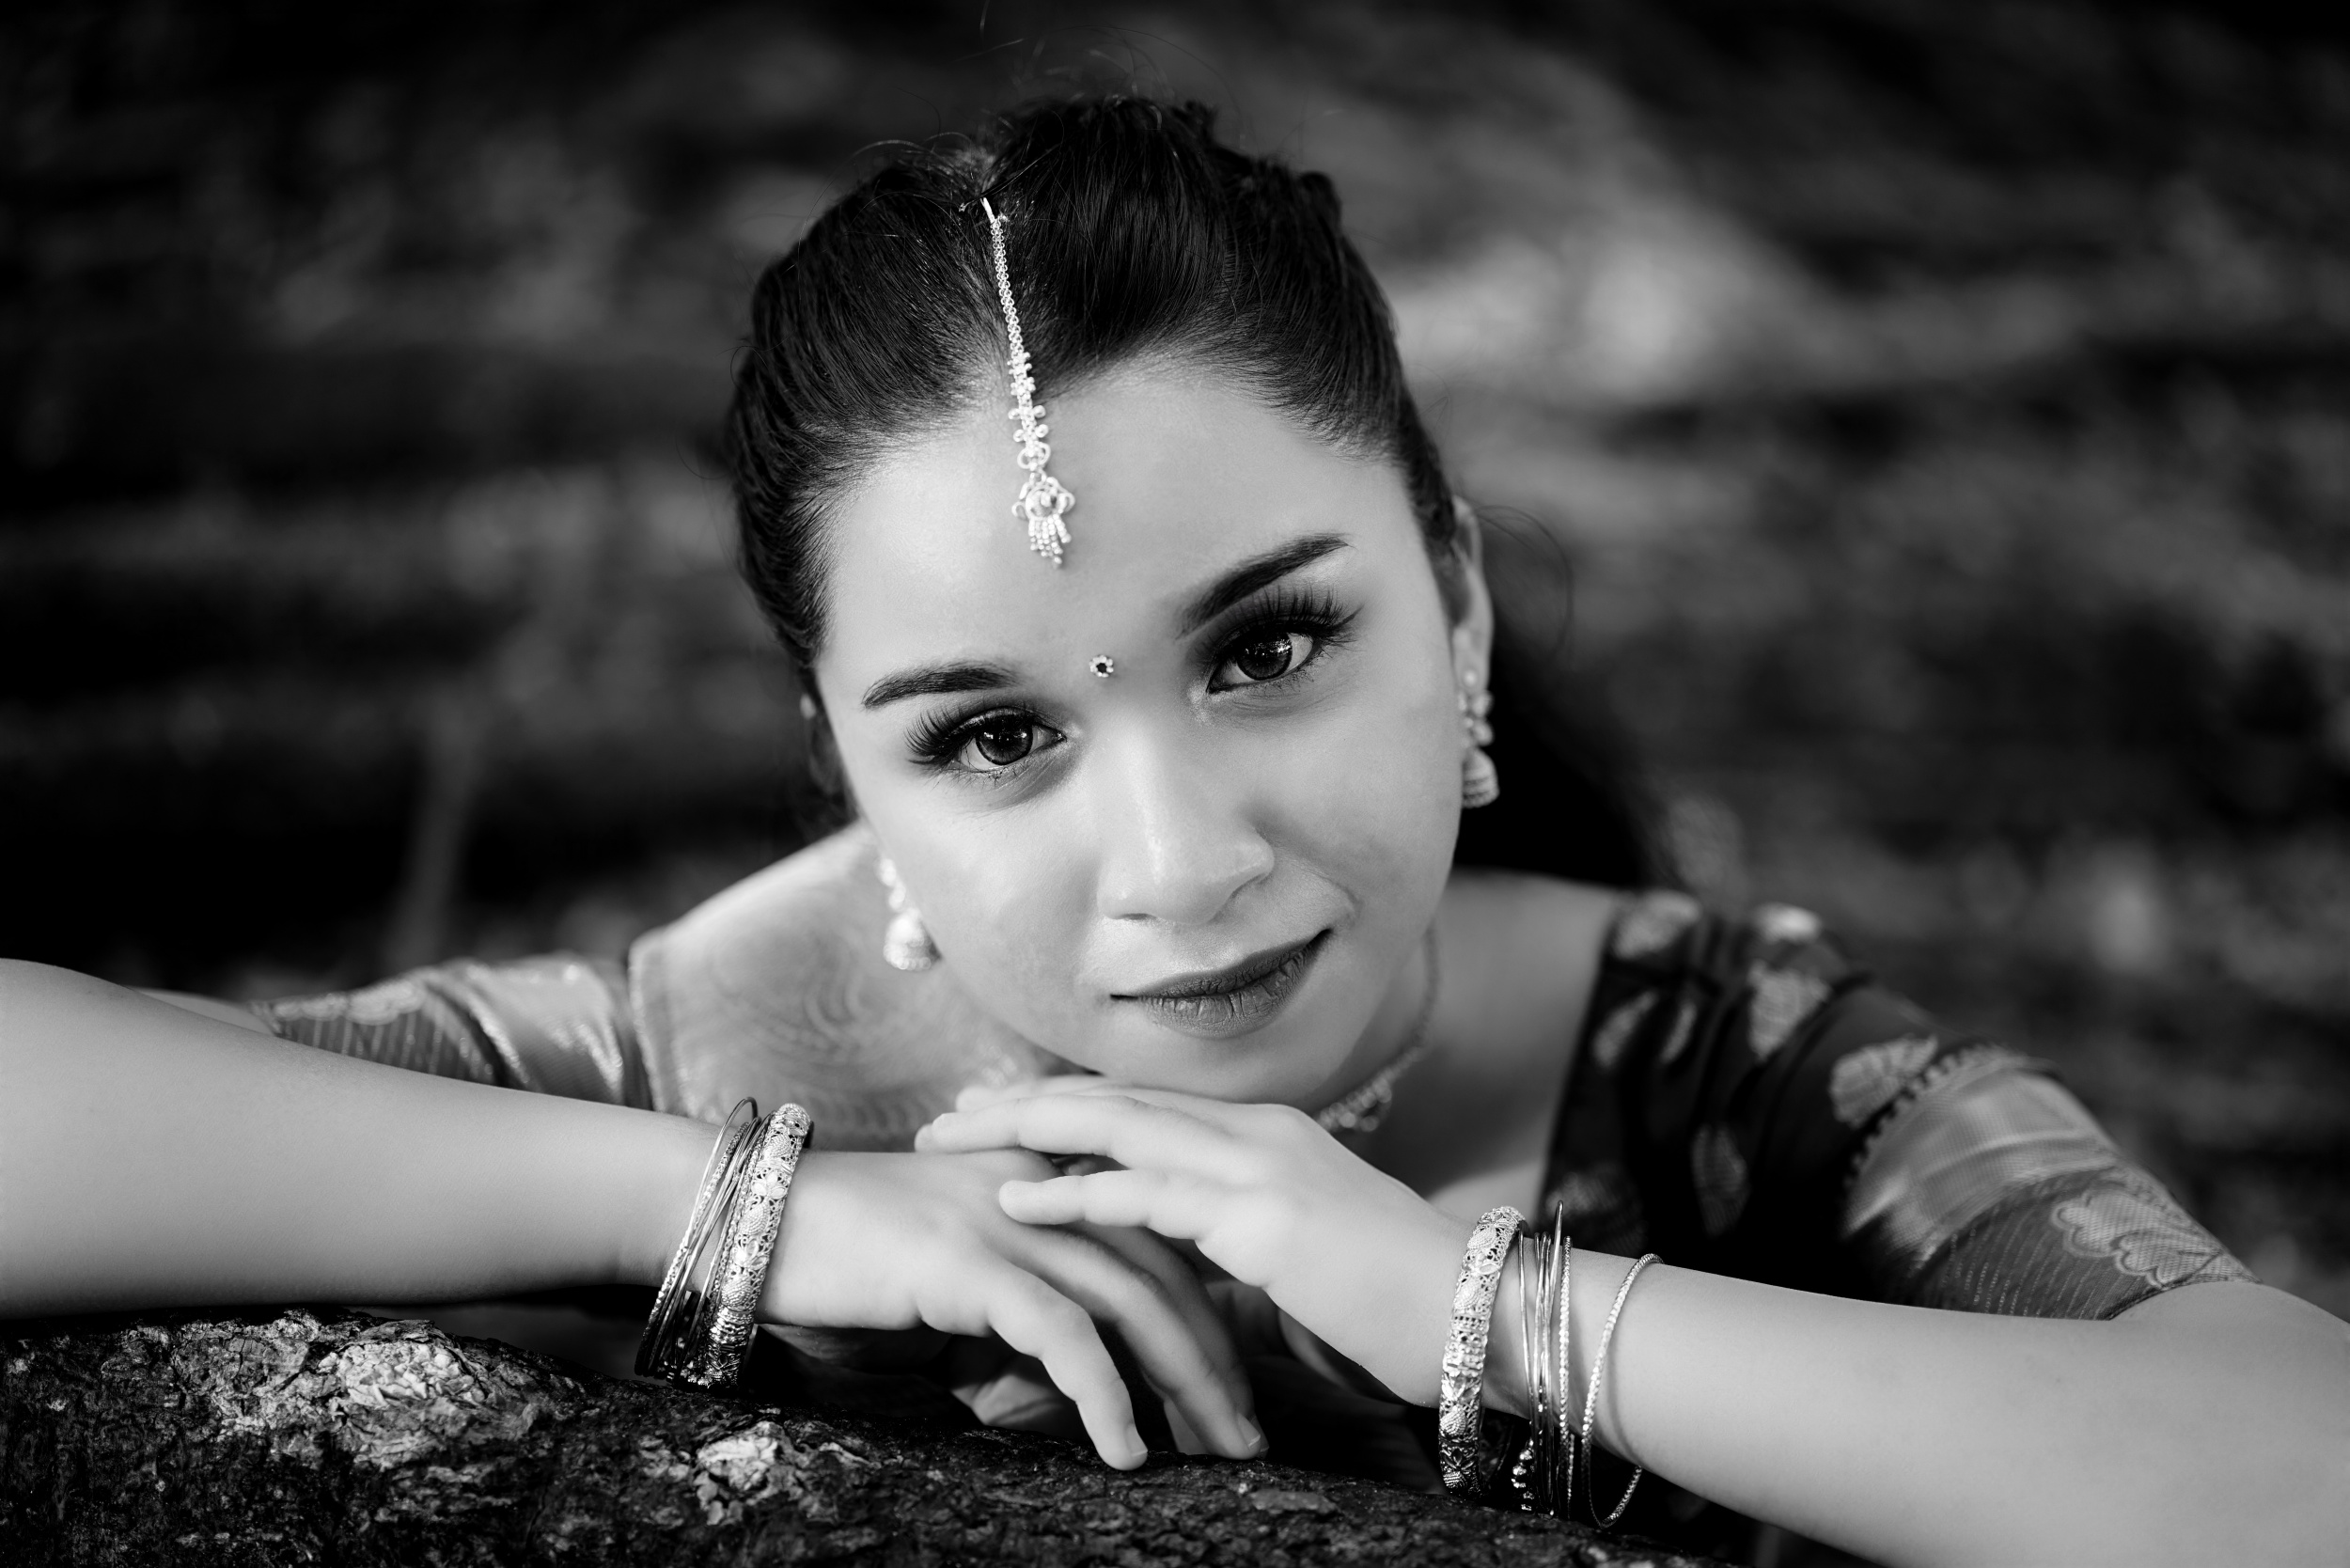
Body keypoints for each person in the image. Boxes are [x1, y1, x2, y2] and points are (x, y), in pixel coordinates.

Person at [2, 97, 2342, 1568]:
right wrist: (733, 1208)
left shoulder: (1723, 1058)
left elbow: (2289, 1471)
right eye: (990, 737)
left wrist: (1460, 1304)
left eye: (1265, 649)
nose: (1178, 863)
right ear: (845, 779)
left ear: (1453, 601)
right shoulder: (729, 1055)